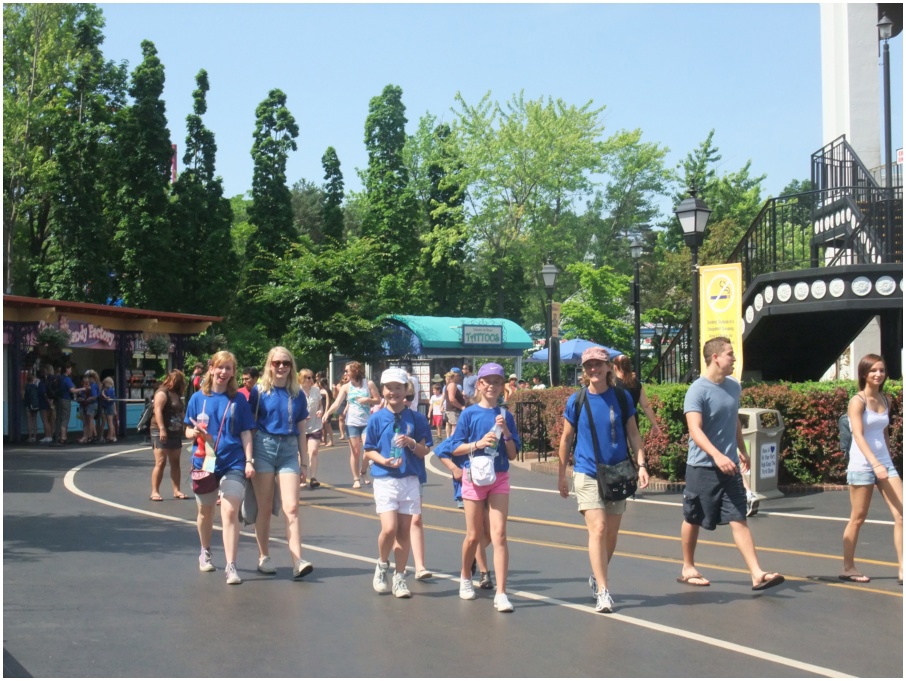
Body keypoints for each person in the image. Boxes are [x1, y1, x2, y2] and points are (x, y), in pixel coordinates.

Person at [678, 337, 784, 591]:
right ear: (715, 358)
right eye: (730, 354)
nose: (734, 358)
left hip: (730, 466)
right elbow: (695, 430)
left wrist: (741, 449)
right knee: (693, 517)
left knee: (739, 518)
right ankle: (688, 566)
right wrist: (717, 455)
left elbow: (733, 418)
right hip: (702, 467)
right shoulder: (697, 390)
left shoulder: (733, 386)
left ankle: (757, 573)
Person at [556, 347, 649, 614]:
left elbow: (633, 434)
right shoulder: (577, 400)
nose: (593, 369)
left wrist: (642, 464)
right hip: (587, 471)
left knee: (611, 533)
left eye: (598, 364)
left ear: (609, 367)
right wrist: (562, 475)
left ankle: (598, 575)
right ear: (584, 371)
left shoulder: (621, 397)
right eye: (589, 366)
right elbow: (566, 439)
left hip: (617, 472)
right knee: (598, 528)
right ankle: (604, 591)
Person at [449, 362, 520, 613]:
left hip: (499, 476)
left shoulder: (505, 415)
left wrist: (506, 431)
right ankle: (465, 577)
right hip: (474, 477)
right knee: (474, 535)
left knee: (499, 534)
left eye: (497, 382)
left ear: (502, 386)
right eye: (487, 381)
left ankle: (501, 593)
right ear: (479, 384)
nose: (492, 386)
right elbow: (454, 447)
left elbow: (512, 454)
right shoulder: (469, 414)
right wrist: (478, 444)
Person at [184, 350, 256, 585]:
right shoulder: (197, 398)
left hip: (232, 461)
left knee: (230, 511)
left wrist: (248, 460)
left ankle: (231, 566)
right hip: (204, 462)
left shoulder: (239, 400)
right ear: (211, 369)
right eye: (220, 367)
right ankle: (205, 550)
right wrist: (193, 433)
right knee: (205, 512)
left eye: (229, 368)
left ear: (233, 372)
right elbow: (187, 430)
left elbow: (246, 432)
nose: (224, 372)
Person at [364, 367, 433, 598]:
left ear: (406, 390)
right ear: (382, 390)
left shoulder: (417, 418)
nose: (393, 392)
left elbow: (424, 450)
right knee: (389, 528)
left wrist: (411, 443)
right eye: (388, 388)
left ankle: (400, 577)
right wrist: (383, 460)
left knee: (404, 531)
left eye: (398, 388)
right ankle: (382, 564)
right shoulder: (376, 418)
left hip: (409, 478)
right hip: (385, 478)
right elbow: (369, 450)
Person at [248, 347, 314, 580]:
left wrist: (304, 463)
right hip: (263, 447)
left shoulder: (297, 394)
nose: (281, 367)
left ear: (291, 366)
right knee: (264, 507)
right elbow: (250, 426)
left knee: (292, 507)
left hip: (288, 450)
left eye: (286, 363)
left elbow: (302, 429)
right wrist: (248, 458)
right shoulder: (258, 391)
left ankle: (297, 561)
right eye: (276, 363)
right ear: (269, 365)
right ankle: (263, 556)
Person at [841, 353, 903, 585]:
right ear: (864, 374)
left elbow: (883, 433)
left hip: (884, 464)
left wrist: (886, 461)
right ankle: (848, 567)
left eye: (881, 370)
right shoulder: (857, 401)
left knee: (902, 514)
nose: (878, 374)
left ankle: (903, 567)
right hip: (862, 465)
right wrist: (875, 464)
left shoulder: (885, 399)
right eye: (873, 370)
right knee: (858, 517)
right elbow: (858, 435)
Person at [434, 432, 494, 587]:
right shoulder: (464, 433)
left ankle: (472, 554)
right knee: (476, 532)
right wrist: (454, 468)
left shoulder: (489, 433)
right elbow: (440, 451)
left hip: (488, 484)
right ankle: (484, 573)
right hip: (468, 487)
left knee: (490, 532)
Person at [323, 361, 380, 488]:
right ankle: (356, 478)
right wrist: (327, 413)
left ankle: (363, 471)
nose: (345, 373)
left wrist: (368, 399)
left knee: (368, 449)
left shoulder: (368, 384)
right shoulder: (346, 387)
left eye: (347, 371)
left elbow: (378, 400)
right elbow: (337, 403)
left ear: (355, 371)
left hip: (366, 422)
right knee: (355, 452)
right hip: (352, 423)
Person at [149, 370, 187, 500]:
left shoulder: (176, 394)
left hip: (175, 432)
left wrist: (186, 426)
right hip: (160, 430)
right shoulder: (162, 392)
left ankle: (177, 490)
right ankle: (155, 491)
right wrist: (162, 429)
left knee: (175, 462)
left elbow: (181, 412)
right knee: (161, 461)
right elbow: (157, 410)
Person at [612, 354, 661, 438]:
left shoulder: (614, 384)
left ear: (615, 367)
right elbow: (646, 406)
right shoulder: (636, 384)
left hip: (617, 420)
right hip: (633, 419)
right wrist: (654, 424)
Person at [299, 369, 323, 489]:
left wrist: (321, 411)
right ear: (301, 378)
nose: (310, 379)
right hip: (301, 427)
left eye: (311, 377)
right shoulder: (296, 391)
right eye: (307, 377)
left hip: (315, 425)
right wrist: (302, 416)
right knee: (301, 453)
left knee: (313, 451)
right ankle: (302, 476)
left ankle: (313, 478)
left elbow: (320, 405)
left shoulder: (316, 390)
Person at [57, 365, 79, 444]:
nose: (71, 371)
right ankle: (63, 437)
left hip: (59, 400)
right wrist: (82, 389)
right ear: (66, 369)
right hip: (66, 399)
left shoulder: (59, 378)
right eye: (70, 369)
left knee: (60, 418)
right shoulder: (67, 379)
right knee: (65, 418)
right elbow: (72, 390)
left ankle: (60, 436)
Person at [77, 370, 100, 444]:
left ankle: (89, 436)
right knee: (89, 421)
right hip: (91, 404)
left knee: (89, 421)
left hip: (91, 404)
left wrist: (87, 399)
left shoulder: (93, 386)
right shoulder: (95, 385)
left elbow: (94, 396)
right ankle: (91, 436)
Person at [443, 371, 466, 439]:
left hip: (452, 410)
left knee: (454, 427)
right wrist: (461, 407)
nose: (459, 378)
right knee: (455, 428)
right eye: (457, 376)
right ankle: (452, 443)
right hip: (454, 410)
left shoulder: (450, 385)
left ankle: (452, 441)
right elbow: (452, 399)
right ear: (452, 377)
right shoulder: (452, 385)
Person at [23, 371, 40, 443]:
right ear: (33, 379)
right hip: (35, 404)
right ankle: (35, 436)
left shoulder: (26, 386)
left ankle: (30, 437)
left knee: (29, 421)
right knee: (34, 420)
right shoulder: (35, 387)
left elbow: (23, 396)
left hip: (28, 404)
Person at [99, 376, 117, 443]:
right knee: (109, 422)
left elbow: (109, 399)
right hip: (107, 406)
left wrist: (104, 395)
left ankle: (110, 436)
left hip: (109, 406)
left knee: (110, 422)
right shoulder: (108, 390)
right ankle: (109, 436)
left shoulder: (110, 390)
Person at [318, 378, 335, 446]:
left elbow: (328, 402)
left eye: (319, 382)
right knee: (323, 426)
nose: (319, 384)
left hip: (326, 409)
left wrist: (326, 412)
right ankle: (324, 440)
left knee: (328, 425)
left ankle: (332, 441)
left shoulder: (327, 391)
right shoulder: (320, 390)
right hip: (321, 409)